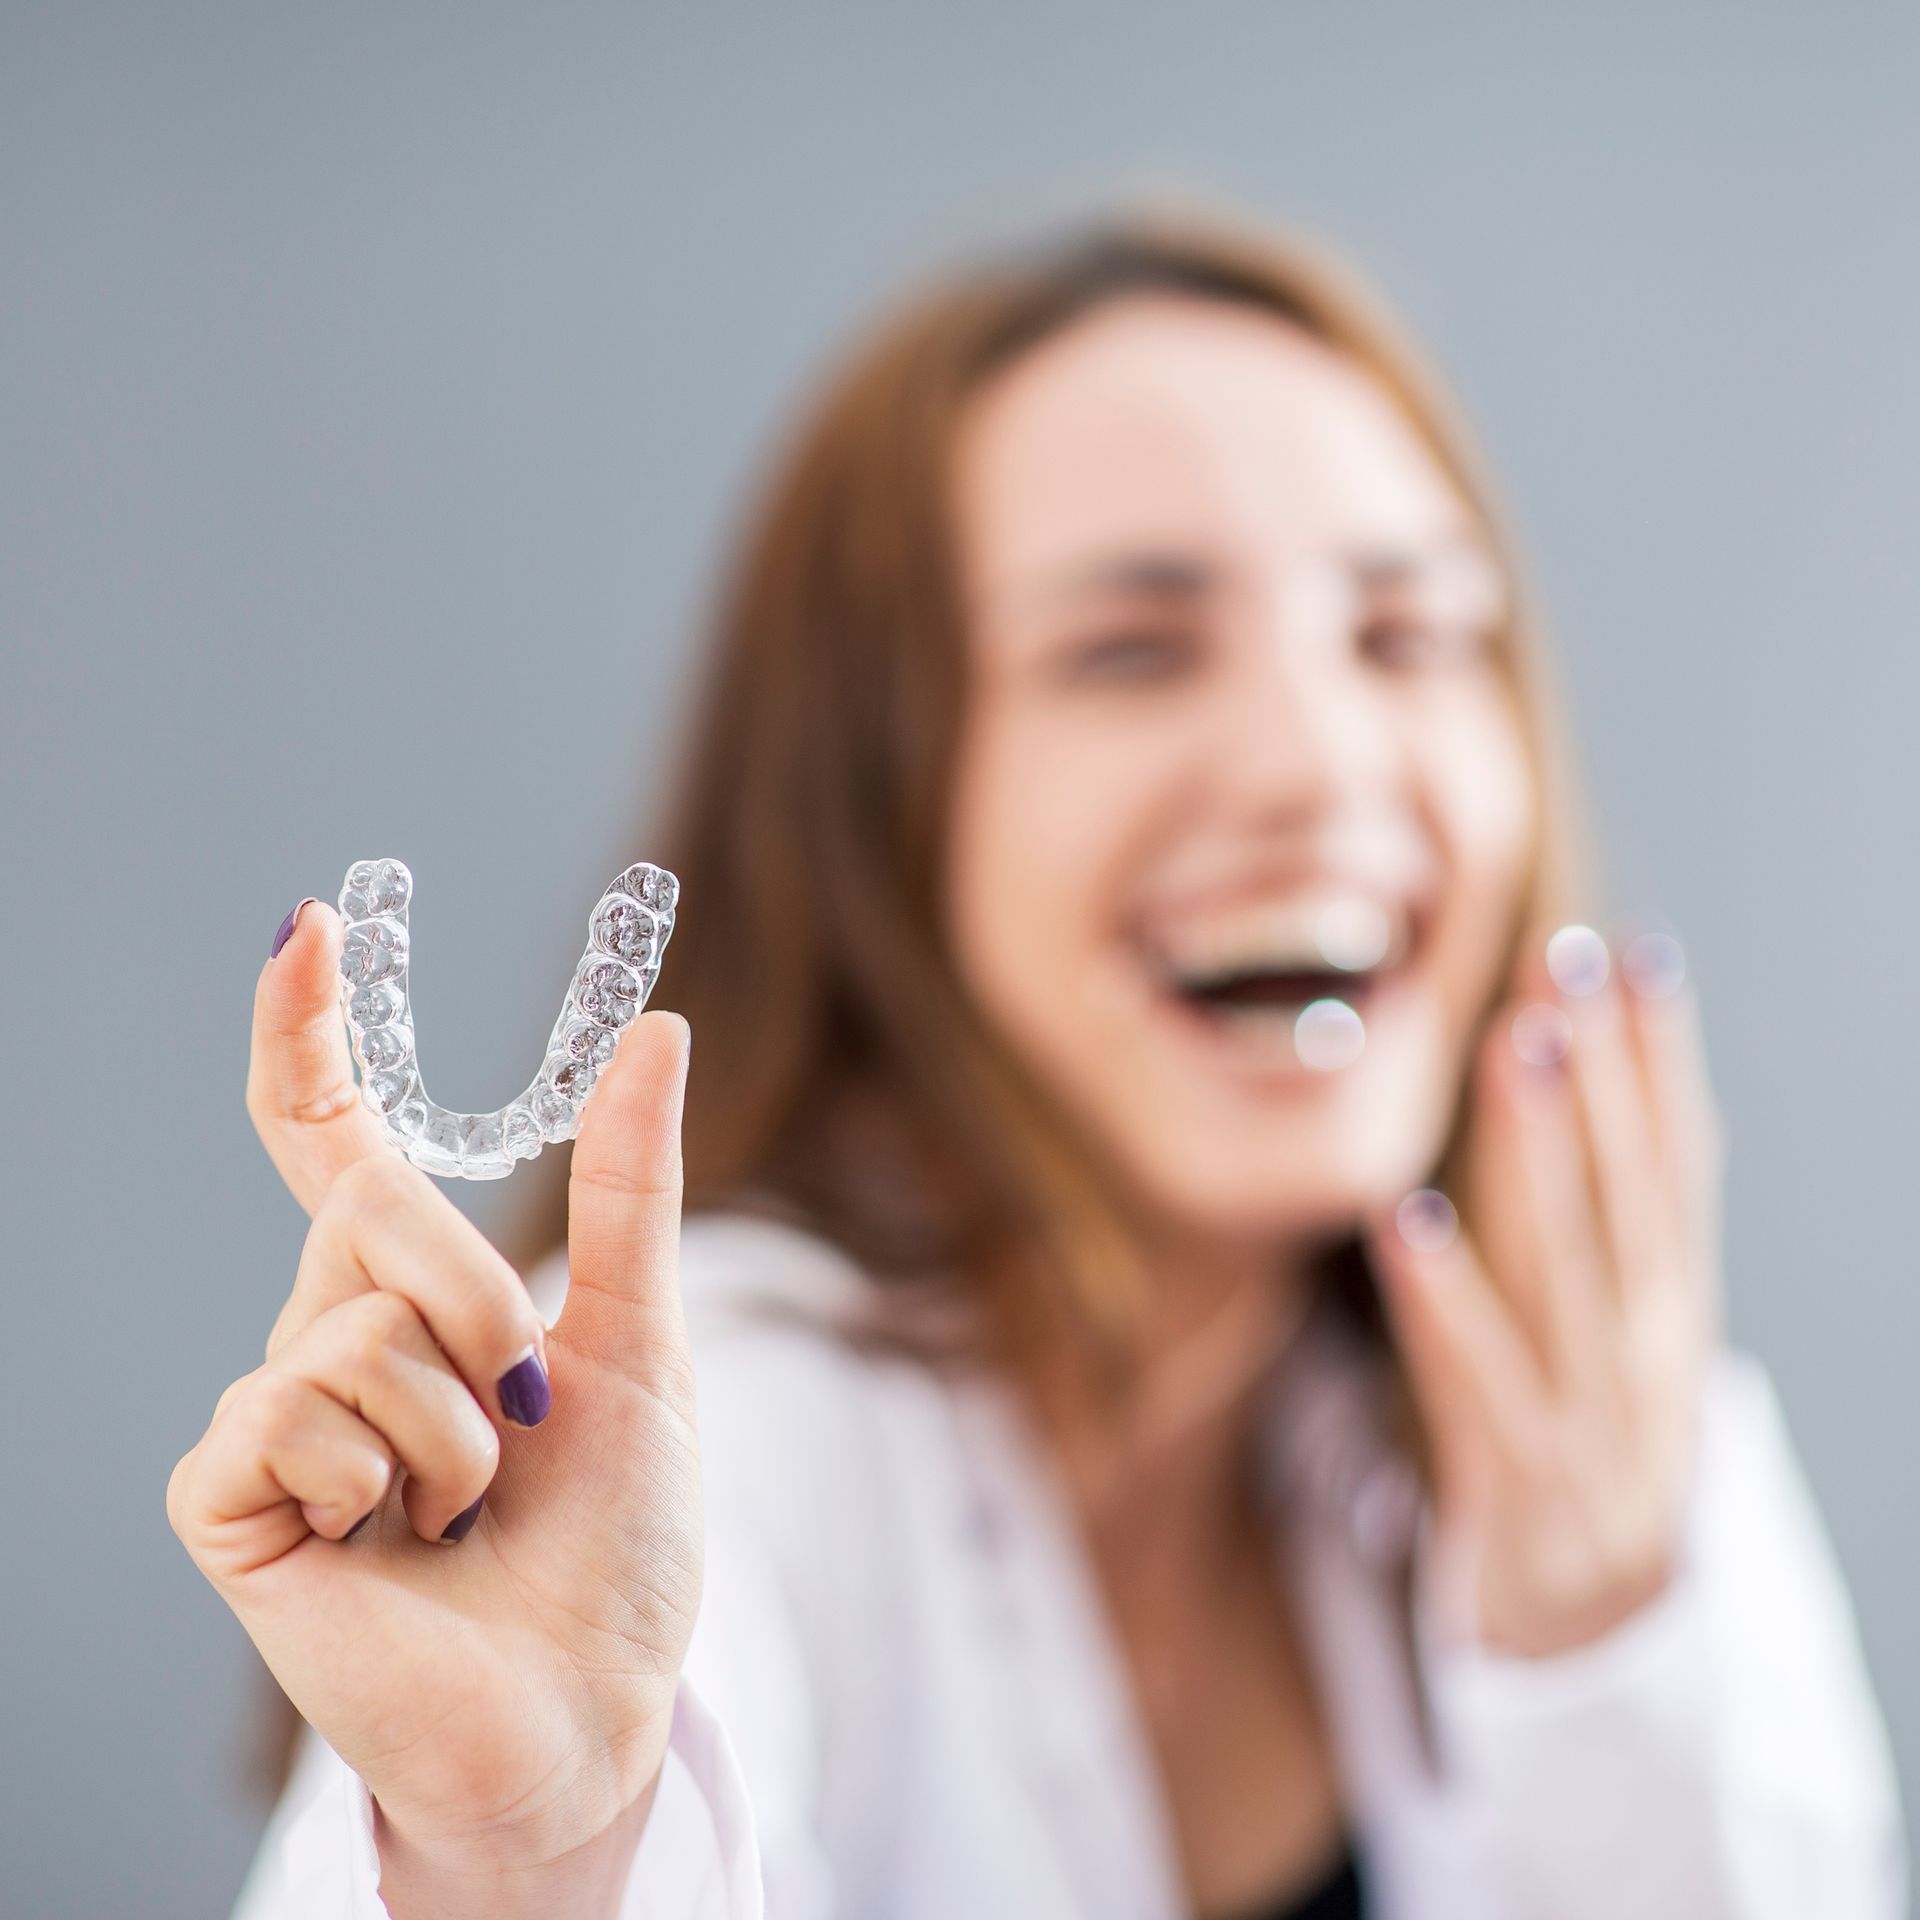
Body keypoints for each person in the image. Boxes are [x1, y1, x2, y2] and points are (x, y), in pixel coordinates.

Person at [169, 201, 1906, 1919]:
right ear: (879, 815)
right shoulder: (699, 1437)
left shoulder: (1597, 1431)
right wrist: (527, 1870)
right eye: (1131, 650)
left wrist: (1603, 1654)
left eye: (1409, 636)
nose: (1319, 757)